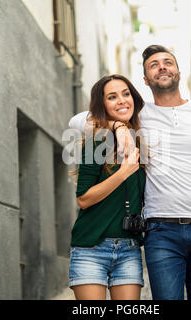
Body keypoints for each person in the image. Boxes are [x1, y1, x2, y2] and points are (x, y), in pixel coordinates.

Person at [68, 45, 191, 300]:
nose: (162, 67)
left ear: (178, 72)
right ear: (145, 80)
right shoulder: (139, 115)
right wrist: (119, 126)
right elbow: (76, 121)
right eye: (154, 65)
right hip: (160, 230)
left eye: (168, 62)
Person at [68, 74, 147, 300]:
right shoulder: (97, 142)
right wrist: (123, 173)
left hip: (129, 250)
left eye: (125, 94)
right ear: (102, 105)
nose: (121, 100)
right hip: (91, 248)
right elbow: (83, 198)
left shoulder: (142, 141)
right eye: (112, 97)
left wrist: (122, 127)